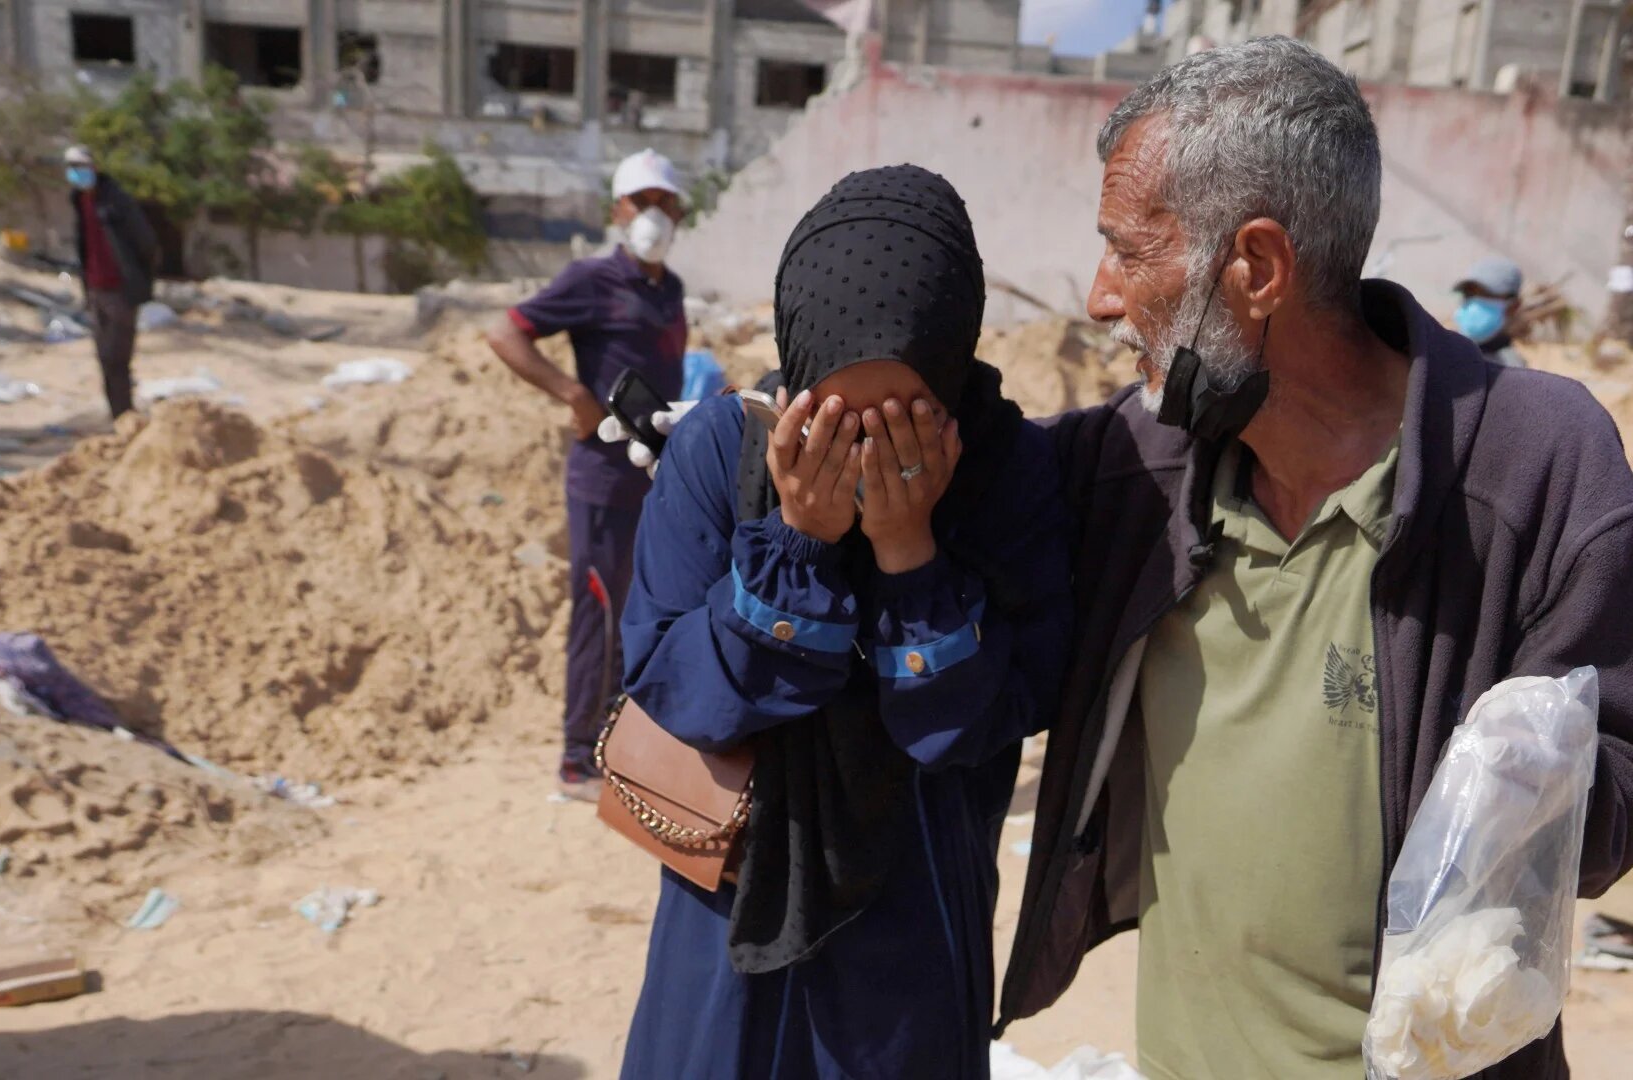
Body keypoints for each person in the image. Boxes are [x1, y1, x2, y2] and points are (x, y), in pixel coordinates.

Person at [987, 38, 1633, 1079]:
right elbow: (955, 477)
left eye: (1130, 252)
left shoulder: (1532, 466)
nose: (1103, 298)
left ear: (1258, 268)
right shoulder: (1138, 463)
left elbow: (1618, 783)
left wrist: (1535, 784)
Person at [616, 166, 1071, 1079]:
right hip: (730, 912)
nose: (867, 450)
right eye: (837, 416)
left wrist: (909, 555)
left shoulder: (1006, 474)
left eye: (906, 418)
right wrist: (798, 545)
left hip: (916, 919)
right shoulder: (720, 451)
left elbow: (990, 721)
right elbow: (672, 691)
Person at [485, 149, 690, 801]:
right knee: (598, 618)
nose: (654, 214)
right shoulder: (592, 279)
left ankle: (617, 745)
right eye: (642, 201)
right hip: (602, 480)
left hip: (653, 479)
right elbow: (505, 334)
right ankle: (578, 761)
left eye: (665, 202)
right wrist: (574, 395)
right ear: (618, 211)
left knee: (639, 618)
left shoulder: (669, 289)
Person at [65, 145, 158, 419]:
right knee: (105, 358)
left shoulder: (116, 201)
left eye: (81, 167)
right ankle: (117, 415)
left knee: (118, 359)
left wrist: (137, 280)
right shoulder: (79, 201)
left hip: (120, 291)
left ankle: (125, 416)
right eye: (72, 167)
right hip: (96, 291)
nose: (77, 173)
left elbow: (146, 243)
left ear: (94, 167)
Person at [1453, 255, 1529, 367]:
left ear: (1514, 306)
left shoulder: (1509, 368)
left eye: (1487, 295)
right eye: (1469, 293)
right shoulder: (1439, 349)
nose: (1474, 304)